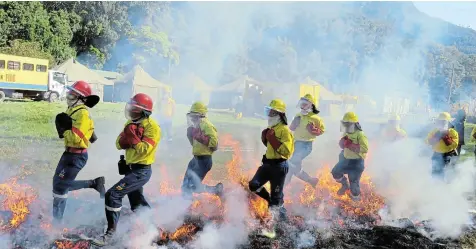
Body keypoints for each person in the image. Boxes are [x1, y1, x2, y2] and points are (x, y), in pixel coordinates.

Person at [92, 93, 161, 246]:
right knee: (137, 203)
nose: (130, 111)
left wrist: (133, 139)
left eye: (134, 109)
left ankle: (110, 234)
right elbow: (118, 144)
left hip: (141, 171)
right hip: (130, 169)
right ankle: (153, 230)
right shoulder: (130, 124)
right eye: (130, 107)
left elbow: (144, 150)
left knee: (113, 194)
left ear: (144, 112)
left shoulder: (153, 128)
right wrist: (127, 138)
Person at [52, 80, 105, 224]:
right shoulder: (72, 110)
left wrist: (64, 131)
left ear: (81, 99)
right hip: (68, 153)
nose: (69, 96)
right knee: (58, 183)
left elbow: (76, 138)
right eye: (70, 92)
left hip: (77, 156)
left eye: (73, 94)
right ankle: (94, 183)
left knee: (61, 187)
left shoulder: (82, 114)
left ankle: (56, 223)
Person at [248, 99, 294, 238]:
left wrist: (273, 139)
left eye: (273, 112)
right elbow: (269, 149)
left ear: (280, 115)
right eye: (269, 112)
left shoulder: (285, 131)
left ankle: (272, 230)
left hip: (279, 167)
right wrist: (265, 138)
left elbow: (287, 152)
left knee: (276, 200)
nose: (269, 115)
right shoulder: (271, 129)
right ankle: (272, 201)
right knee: (253, 185)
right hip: (267, 165)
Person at [181, 102, 223, 199]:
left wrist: (199, 136)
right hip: (195, 159)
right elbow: (194, 144)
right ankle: (184, 204)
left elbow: (214, 144)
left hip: (204, 160)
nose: (192, 118)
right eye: (191, 115)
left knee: (193, 187)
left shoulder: (207, 125)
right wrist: (190, 135)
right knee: (185, 186)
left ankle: (216, 190)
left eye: (194, 116)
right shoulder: (197, 125)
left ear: (201, 115)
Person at [285, 94, 324, 187]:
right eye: (301, 104)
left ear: (311, 105)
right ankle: (311, 180)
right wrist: (294, 124)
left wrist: (314, 130)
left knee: (291, 163)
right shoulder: (298, 115)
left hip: (306, 145)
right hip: (295, 144)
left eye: (305, 104)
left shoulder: (316, 118)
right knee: (295, 168)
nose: (302, 106)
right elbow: (292, 128)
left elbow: (321, 131)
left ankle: (284, 184)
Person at [331, 112, 369, 202]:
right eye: (345, 124)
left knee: (354, 186)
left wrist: (351, 145)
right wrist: (342, 143)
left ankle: (356, 203)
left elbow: (365, 149)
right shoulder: (346, 133)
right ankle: (345, 185)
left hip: (356, 163)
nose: (346, 126)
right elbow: (342, 145)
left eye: (348, 124)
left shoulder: (360, 134)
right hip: (345, 160)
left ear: (354, 124)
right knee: (335, 173)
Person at [425, 112, 459, 179]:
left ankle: (442, 185)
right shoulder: (434, 131)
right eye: (440, 122)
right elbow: (427, 141)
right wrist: (436, 137)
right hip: (436, 154)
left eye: (444, 122)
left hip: (447, 155)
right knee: (434, 171)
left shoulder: (453, 132)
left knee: (444, 171)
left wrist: (445, 137)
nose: (442, 123)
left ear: (449, 123)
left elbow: (454, 145)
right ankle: (435, 185)